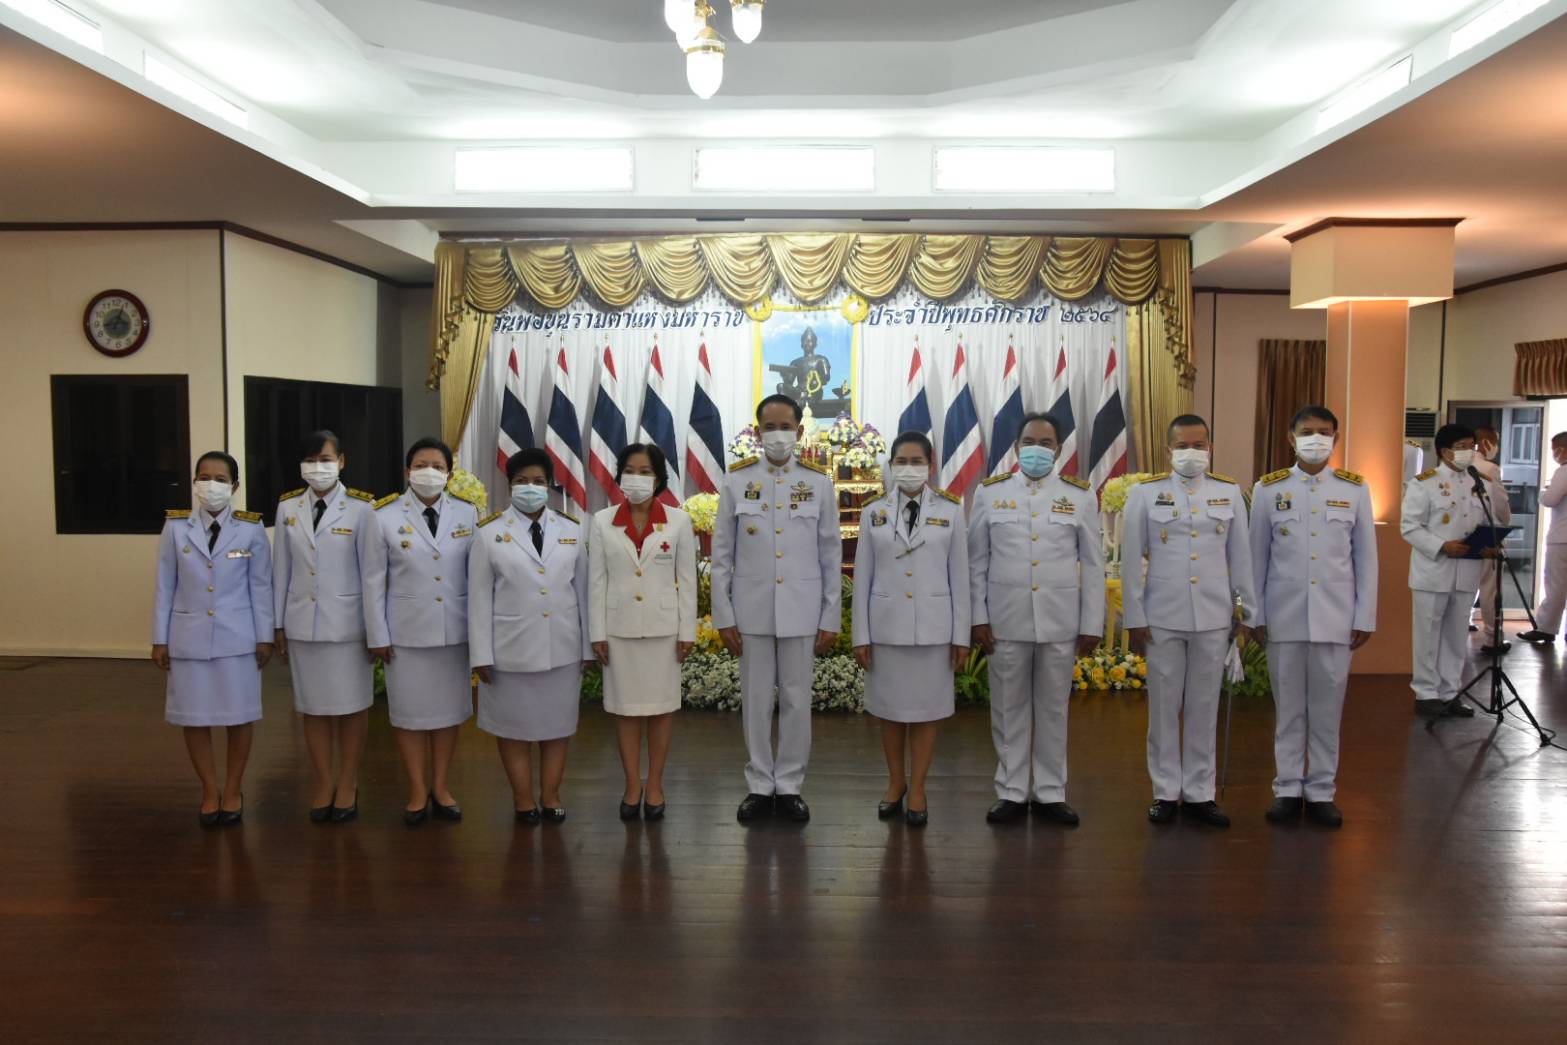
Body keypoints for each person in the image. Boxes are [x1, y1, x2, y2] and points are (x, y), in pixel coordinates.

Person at [968, 413, 1103, 826]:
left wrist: (1091, 624)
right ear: (1015, 447)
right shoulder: (990, 493)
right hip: (1005, 621)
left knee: (1053, 710)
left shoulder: (1079, 496)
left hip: (1059, 621)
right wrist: (978, 617)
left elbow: (1093, 565)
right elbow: (976, 562)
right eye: (1029, 441)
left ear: (1059, 450)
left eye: (1046, 443)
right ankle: (1011, 790)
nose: (1037, 449)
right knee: (1007, 709)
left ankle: (1049, 792)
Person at [712, 394, 841, 824]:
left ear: (799, 432)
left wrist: (830, 615)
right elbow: (722, 555)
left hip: (801, 610)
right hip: (752, 612)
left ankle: (789, 785)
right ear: (757, 432)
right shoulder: (736, 481)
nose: (778, 435)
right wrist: (724, 615)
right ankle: (758, 784)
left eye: (786, 427)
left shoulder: (818, 483)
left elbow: (830, 555)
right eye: (770, 427)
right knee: (755, 699)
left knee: (797, 699)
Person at [1122, 414, 1256, 828]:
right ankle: (1165, 791)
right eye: (1182, 445)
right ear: (1169, 450)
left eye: (1198, 445)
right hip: (1162, 616)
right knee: (1164, 708)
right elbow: (1131, 560)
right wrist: (1134, 616)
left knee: (1203, 706)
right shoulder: (1145, 494)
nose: (1191, 452)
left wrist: (1245, 612)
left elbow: (1241, 559)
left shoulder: (1227, 492)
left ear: (1210, 448)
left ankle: (1200, 793)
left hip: (1213, 617)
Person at [1250, 406, 1376, 828]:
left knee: (1326, 711)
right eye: (1307, 432)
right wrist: (1254, 614)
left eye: (1324, 432)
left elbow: (1366, 560)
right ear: (1291, 437)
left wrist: (1364, 615)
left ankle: (1321, 789)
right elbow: (1256, 558)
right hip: (1283, 616)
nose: (1316, 439)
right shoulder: (1269, 489)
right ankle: (1287, 788)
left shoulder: (1355, 489)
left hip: (1336, 618)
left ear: (1336, 439)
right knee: (1288, 710)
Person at [851, 431, 970, 828]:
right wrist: (861, 635)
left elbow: (960, 579)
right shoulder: (873, 512)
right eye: (901, 461)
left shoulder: (951, 511)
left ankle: (918, 786)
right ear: (890, 465)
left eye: (916, 461)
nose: (908, 468)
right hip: (886, 629)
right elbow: (863, 577)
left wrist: (961, 636)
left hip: (934, 630)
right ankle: (895, 782)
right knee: (890, 711)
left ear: (930, 466)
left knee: (926, 712)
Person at [469, 448, 592, 825]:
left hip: (562, 649)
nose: (530, 487)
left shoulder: (572, 530)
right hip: (509, 652)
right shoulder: (488, 533)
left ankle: (551, 796)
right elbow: (478, 599)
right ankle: (523, 800)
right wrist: (480, 655)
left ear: (550, 485)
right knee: (512, 729)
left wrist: (588, 648)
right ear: (509, 486)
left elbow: (584, 593)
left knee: (557, 727)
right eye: (522, 481)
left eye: (538, 481)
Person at [151, 451, 273, 826]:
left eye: (220, 479)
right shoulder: (176, 527)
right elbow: (165, 586)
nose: (211, 485)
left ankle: (233, 789)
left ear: (234, 486)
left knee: (239, 717)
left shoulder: (250, 528)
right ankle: (208, 789)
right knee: (194, 717)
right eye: (204, 477)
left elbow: (261, 587)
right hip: (188, 637)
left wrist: (265, 637)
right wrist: (159, 638)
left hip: (238, 639)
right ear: (194, 482)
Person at [364, 437, 480, 826]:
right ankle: (417, 790)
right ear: (407, 471)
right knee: (409, 714)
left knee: (448, 715)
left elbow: (477, 578)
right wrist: (377, 635)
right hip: (405, 635)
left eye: (437, 466)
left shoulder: (467, 514)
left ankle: (442, 787)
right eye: (420, 465)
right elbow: (373, 581)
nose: (428, 471)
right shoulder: (383, 516)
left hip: (454, 632)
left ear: (449, 474)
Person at [273, 430, 379, 822]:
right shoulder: (288, 507)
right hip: (303, 626)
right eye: (311, 460)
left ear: (342, 462)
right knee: (313, 709)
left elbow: (372, 575)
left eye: (326, 459)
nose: (318, 467)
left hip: (349, 628)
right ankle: (324, 783)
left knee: (352, 708)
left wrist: (375, 631)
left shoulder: (362, 508)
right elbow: (280, 571)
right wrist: (277, 626)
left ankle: (348, 782)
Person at [588, 444, 696, 821]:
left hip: (664, 632)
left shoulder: (678, 521)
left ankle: (655, 785)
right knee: (626, 712)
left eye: (645, 471)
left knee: (662, 711)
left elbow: (687, 580)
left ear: (659, 478)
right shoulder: (602, 521)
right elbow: (596, 581)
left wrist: (687, 631)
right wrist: (597, 632)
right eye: (630, 471)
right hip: (618, 631)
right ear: (620, 476)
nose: (637, 478)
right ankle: (633, 784)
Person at [1401, 423, 1503, 718]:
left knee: (1457, 636)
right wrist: (1442, 546)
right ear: (1445, 451)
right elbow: (1410, 527)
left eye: (1471, 446)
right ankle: (1426, 693)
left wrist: (1490, 542)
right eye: (1461, 447)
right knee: (1428, 636)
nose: (1468, 452)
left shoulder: (1479, 482)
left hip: (1467, 571)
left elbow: (1489, 521)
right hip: (1433, 570)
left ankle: (1449, 692)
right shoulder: (1424, 483)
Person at [1467, 425, 1514, 652]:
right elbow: (1501, 503)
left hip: (1463, 536)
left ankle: (1465, 622)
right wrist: (1504, 526)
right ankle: (1493, 639)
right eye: (1495, 442)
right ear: (1486, 443)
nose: (1496, 447)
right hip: (1488, 533)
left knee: (1466, 585)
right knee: (1489, 589)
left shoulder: (1456, 466)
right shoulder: (1490, 468)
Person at [1519, 431, 1567, 644]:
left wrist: (1542, 492)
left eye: (1554, 449)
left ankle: (1546, 629)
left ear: (1561, 449)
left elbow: (1550, 499)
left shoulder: (1564, 471)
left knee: (1556, 586)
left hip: (1562, 538)